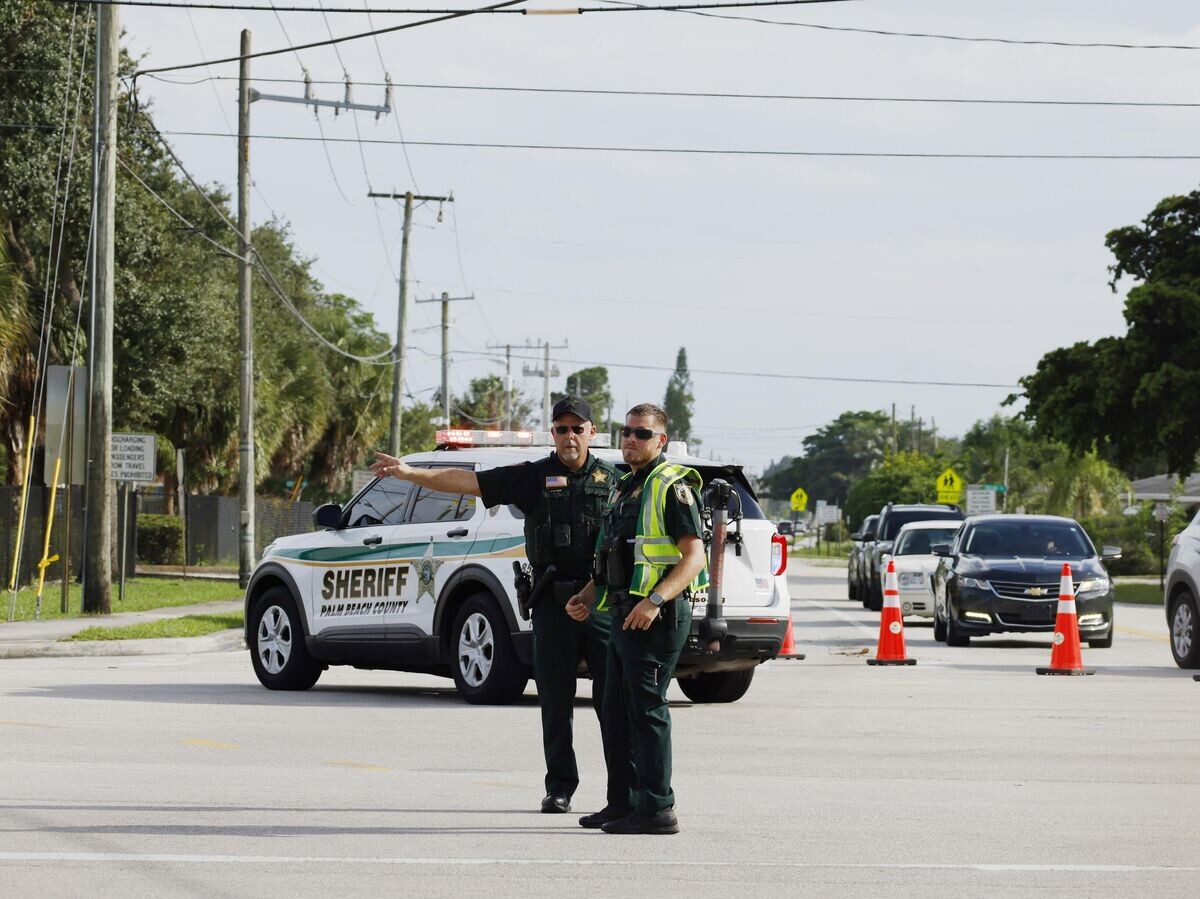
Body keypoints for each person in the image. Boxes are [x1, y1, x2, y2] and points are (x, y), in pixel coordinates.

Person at [368, 397, 624, 817]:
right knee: (555, 701)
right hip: (551, 601)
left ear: (593, 433)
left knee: (612, 702)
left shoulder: (615, 481)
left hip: (598, 602)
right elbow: (469, 483)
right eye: (562, 429)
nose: (570, 436)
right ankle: (559, 786)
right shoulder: (534, 476)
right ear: (553, 434)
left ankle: (621, 794)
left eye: (578, 428)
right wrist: (412, 473)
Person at [566, 403, 708, 835]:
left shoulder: (671, 485)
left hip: (656, 617)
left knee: (646, 710)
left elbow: (693, 556)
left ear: (660, 440)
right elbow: (616, 555)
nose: (631, 439)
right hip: (622, 612)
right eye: (626, 431)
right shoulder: (625, 486)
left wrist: (656, 601)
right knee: (615, 709)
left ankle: (657, 807)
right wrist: (587, 596)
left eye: (642, 434)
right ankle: (623, 802)